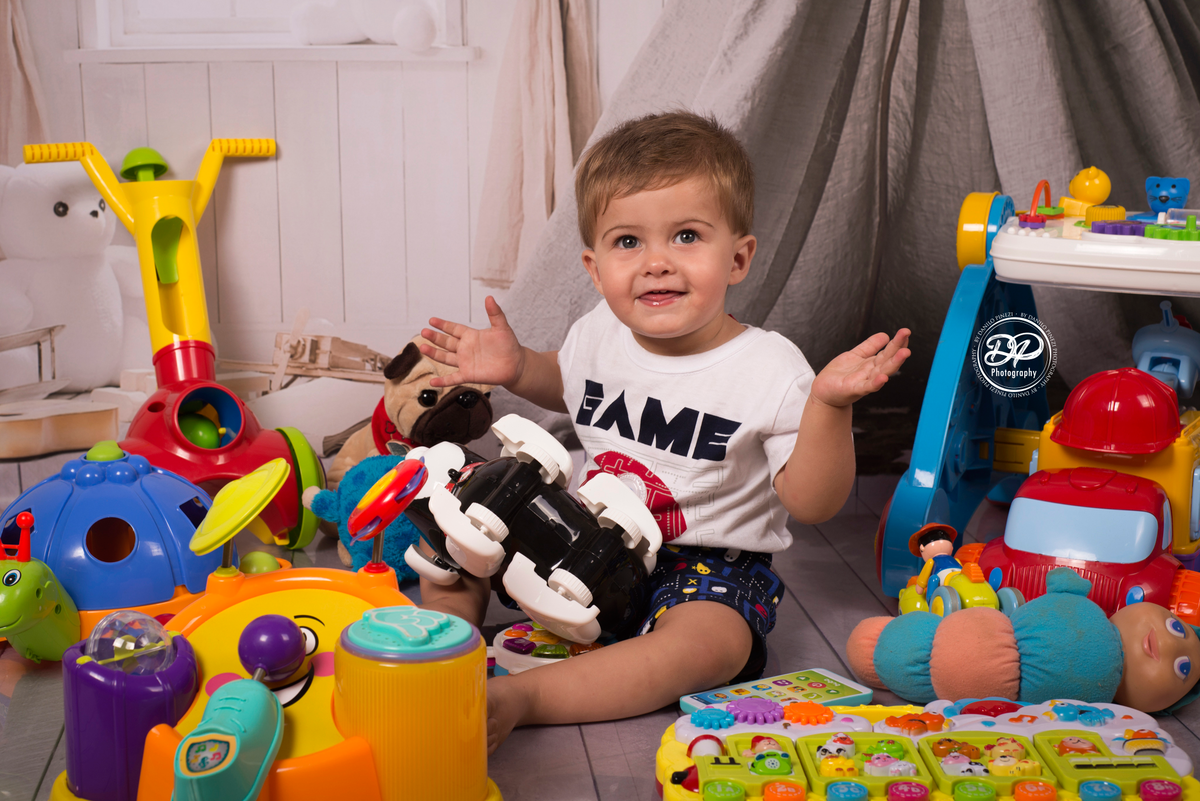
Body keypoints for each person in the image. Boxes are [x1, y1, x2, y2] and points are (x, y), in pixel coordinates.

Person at [417, 111, 910, 753]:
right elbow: (568, 381)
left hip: (702, 564)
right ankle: (441, 658)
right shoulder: (598, 331)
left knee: (715, 643)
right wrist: (519, 368)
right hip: (580, 533)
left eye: (685, 236)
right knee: (453, 535)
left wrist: (829, 407)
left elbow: (813, 502)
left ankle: (524, 698)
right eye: (628, 243)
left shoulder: (769, 368)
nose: (655, 263)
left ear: (737, 258)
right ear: (595, 270)